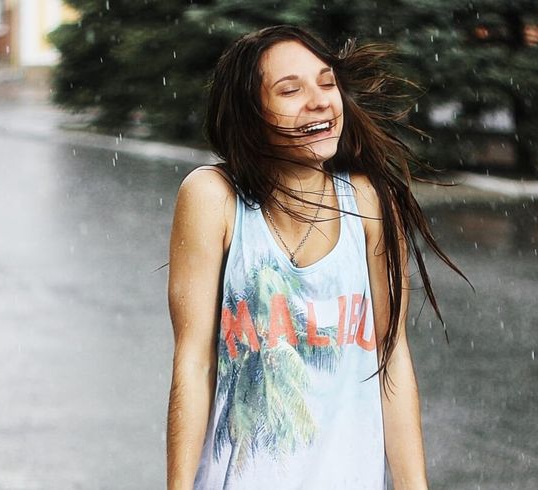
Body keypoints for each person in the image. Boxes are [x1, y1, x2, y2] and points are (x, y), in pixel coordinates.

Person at [166, 25, 464, 489]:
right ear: (249, 113)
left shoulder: (368, 200)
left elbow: (391, 356)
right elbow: (194, 361)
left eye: (327, 83)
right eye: (290, 90)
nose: (320, 101)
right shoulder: (213, 198)